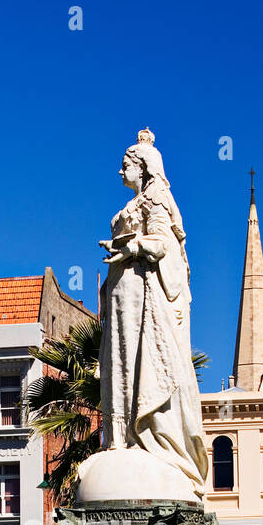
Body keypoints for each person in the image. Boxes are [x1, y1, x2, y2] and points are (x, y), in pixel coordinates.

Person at [97, 128, 208, 493]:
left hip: (143, 293)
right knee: (121, 362)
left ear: (142, 167)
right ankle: (124, 436)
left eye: (125, 165)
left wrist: (132, 248)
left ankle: (149, 437)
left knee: (142, 360)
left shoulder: (157, 198)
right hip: (122, 294)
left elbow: (163, 244)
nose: (119, 172)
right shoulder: (137, 201)